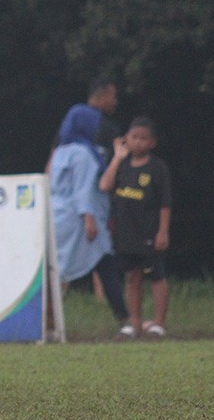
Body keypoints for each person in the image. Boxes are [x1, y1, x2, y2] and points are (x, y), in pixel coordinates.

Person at [49, 104, 130, 336]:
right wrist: (89, 219)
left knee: (60, 271)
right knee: (98, 264)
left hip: (59, 217)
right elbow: (83, 190)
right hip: (78, 219)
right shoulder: (83, 153)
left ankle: (50, 322)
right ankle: (123, 321)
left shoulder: (60, 152)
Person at [99, 117, 172, 338]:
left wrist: (163, 231)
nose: (138, 142)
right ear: (125, 139)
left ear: (152, 143)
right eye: (133, 137)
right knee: (132, 277)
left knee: (157, 276)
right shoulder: (121, 165)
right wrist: (117, 158)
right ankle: (136, 323)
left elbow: (165, 203)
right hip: (125, 234)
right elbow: (104, 186)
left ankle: (158, 323)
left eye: (143, 138)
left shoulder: (157, 168)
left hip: (149, 233)